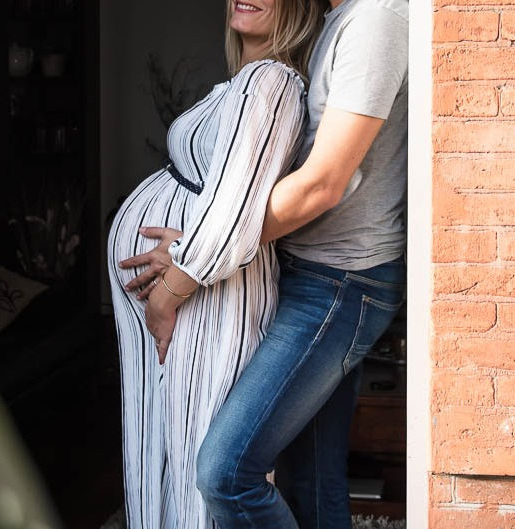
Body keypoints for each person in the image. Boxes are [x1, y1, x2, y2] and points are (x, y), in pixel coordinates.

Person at [123, 0, 409, 527]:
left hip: (340, 283)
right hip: (312, 272)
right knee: (312, 481)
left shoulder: (377, 19)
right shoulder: (338, 20)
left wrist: (190, 260)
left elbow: (323, 184)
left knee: (227, 473)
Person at [107, 1, 330, 527]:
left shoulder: (270, 82)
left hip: (205, 294)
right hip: (192, 296)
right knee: (161, 447)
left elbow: (235, 213)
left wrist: (166, 295)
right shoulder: (242, 84)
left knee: (192, 456)